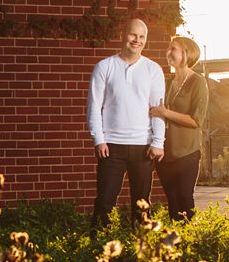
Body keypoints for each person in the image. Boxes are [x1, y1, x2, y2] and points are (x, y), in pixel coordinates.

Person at [87, 18, 165, 229]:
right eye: (133, 35)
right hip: (111, 146)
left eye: (142, 37)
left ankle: (141, 253)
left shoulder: (153, 69)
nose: (137, 40)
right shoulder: (104, 66)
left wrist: (158, 141)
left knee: (142, 206)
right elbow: (94, 107)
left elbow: (158, 109)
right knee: (104, 202)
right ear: (123, 34)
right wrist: (99, 139)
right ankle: (97, 247)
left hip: (143, 147)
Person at [149, 35, 208, 221]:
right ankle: (175, 245)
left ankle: (190, 243)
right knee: (172, 202)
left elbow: (196, 121)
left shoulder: (198, 82)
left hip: (187, 153)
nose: (169, 52)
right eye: (168, 48)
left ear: (186, 53)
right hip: (165, 153)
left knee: (184, 199)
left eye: (173, 49)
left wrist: (165, 113)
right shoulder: (167, 82)